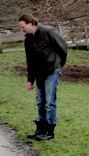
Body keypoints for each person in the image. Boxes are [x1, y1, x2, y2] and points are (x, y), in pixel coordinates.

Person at [18, 13, 68, 141]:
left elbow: (63, 47)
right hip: (39, 74)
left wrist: (58, 64)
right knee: (40, 101)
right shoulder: (28, 40)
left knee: (50, 102)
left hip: (52, 71)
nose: (22, 29)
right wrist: (30, 79)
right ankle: (41, 127)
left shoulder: (48, 31)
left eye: (23, 27)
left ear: (30, 23)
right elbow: (30, 60)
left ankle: (49, 130)